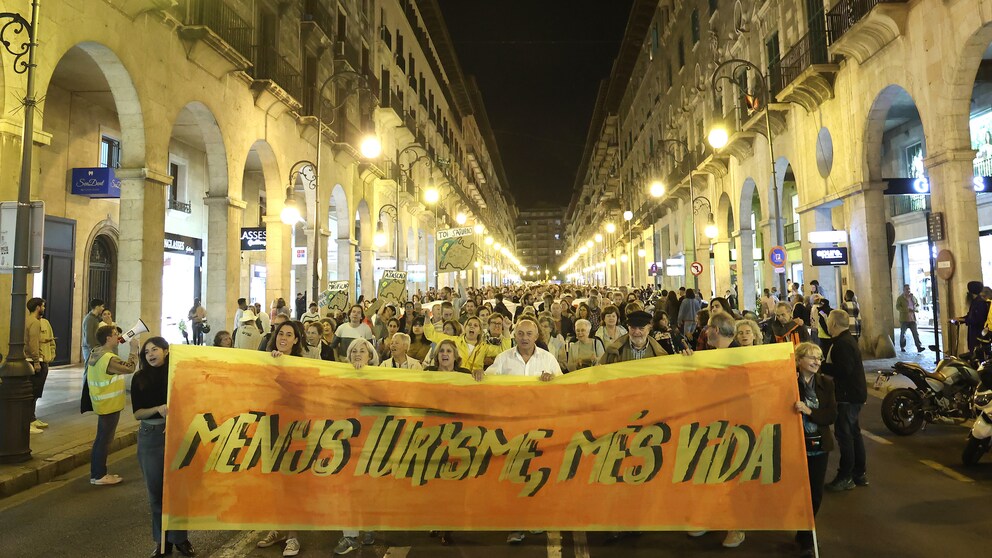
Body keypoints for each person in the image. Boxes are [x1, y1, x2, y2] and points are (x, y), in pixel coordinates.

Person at [475, 317, 560, 545]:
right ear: (514, 335)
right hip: (510, 426)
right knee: (513, 475)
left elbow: (563, 389)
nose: (524, 338)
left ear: (536, 336)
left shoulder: (548, 359)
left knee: (535, 474)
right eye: (520, 334)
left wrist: (552, 381)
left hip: (538, 426)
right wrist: (479, 375)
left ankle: (534, 519)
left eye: (529, 334)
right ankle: (514, 524)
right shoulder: (503, 359)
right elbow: (487, 381)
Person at [131, 337, 196, 558]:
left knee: (177, 490)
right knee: (156, 493)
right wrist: (157, 409)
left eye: (155, 349)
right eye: (147, 351)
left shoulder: (178, 374)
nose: (150, 354)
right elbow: (138, 413)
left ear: (166, 351)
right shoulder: (139, 378)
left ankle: (180, 539)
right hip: (150, 437)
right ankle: (162, 542)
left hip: (177, 434)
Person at [257, 319, 308, 556]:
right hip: (271, 426)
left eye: (289, 334)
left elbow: (300, 394)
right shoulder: (265, 361)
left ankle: (293, 536)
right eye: (280, 333)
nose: (283, 337)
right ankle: (278, 528)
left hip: (295, 430)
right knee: (274, 483)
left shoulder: (300, 364)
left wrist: (282, 368)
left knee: (292, 484)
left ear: (296, 340)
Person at [332, 339, 379, 555]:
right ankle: (349, 536)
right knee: (346, 489)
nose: (358, 354)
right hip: (346, 441)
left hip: (372, 440)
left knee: (369, 487)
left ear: (371, 357)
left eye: (363, 351)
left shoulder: (381, 378)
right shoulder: (340, 376)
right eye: (354, 351)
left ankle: (369, 527)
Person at [794, 342, 837, 557]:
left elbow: (831, 415)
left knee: (815, 494)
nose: (816, 362)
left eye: (819, 358)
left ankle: (806, 535)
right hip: (796, 445)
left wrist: (809, 411)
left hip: (819, 446)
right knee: (797, 493)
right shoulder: (789, 382)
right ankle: (805, 537)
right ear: (799, 360)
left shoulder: (827, 383)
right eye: (811, 357)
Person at [88, 324, 139, 485]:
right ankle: (99, 475)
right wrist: (133, 349)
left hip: (102, 402)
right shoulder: (108, 358)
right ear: (108, 338)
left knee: (101, 439)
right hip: (109, 404)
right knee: (104, 440)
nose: (118, 336)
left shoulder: (97, 353)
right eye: (115, 333)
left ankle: (98, 473)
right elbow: (129, 368)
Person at [823, 310, 869, 492]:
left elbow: (844, 370)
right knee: (853, 434)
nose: (826, 324)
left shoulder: (843, 343)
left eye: (828, 321)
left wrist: (820, 366)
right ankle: (859, 473)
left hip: (847, 397)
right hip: (854, 394)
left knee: (845, 436)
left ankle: (846, 476)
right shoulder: (845, 340)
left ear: (833, 323)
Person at [600, 310, 670, 365]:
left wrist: (680, 359)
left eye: (641, 328)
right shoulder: (614, 351)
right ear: (628, 328)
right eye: (633, 328)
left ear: (649, 329)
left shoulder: (659, 353)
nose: (636, 332)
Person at [25, 298, 51, 434]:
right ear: (37, 307)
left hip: (30, 359)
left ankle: (32, 418)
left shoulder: (27, 320)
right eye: (43, 306)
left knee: (33, 393)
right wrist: (36, 361)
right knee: (33, 392)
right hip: (34, 360)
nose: (44, 308)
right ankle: (28, 421)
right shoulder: (35, 322)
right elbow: (33, 343)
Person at [896, 284, 925, 352]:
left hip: (912, 319)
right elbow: (898, 307)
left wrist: (915, 309)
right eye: (906, 289)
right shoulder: (900, 298)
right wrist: (906, 310)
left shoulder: (913, 297)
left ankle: (919, 347)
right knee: (903, 334)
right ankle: (902, 347)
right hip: (904, 319)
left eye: (909, 289)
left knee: (915, 333)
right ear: (903, 290)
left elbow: (917, 305)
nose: (908, 290)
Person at [81, 298, 105, 367]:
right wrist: (93, 348)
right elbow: (89, 336)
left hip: (94, 347)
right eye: (102, 306)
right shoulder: (89, 319)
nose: (103, 308)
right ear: (97, 307)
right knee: (89, 367)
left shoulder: (95, 318)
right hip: (89, 348)